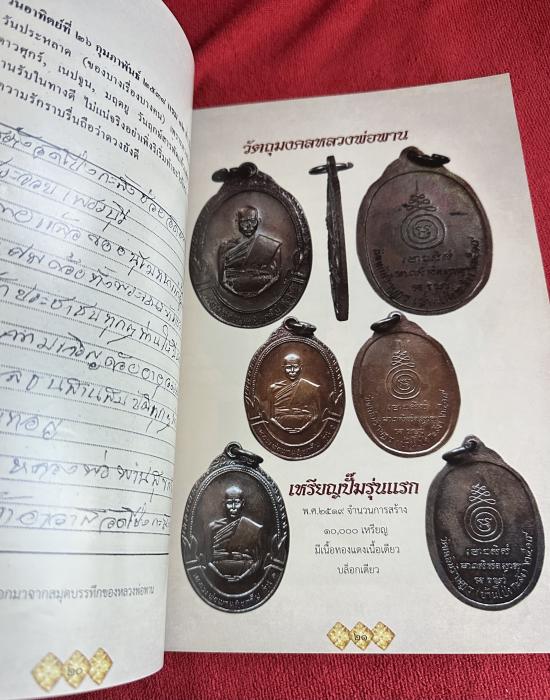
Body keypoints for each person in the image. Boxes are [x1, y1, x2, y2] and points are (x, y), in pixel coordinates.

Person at [218, 205, 281, 297]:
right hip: (233, 294)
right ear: (237, 222)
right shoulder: (226, 248)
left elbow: (276, 276)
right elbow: (222, 280)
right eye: (244, 222)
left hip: (262, 295)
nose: (249, 226)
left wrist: (258, 293)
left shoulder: (271, 246)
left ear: (258, 221)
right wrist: (238, 295)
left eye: (253, 221)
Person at [207, 485, 263, 582]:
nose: (233, 507)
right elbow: (206, 559)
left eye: (236, 503)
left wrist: (242, 577)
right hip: (218, 576)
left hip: (245, 576)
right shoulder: (213, 528)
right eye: (230, 503)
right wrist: (220, 576)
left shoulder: (251, 528)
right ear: (224, 504)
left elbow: (259, 560)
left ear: (242, 503)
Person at [266, 352, 321, 434]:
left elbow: (316, 416)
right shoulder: (273, 389)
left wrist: (302, 429)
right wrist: (283, 430)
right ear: (283, 368)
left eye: (295, 367)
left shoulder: (311, 388)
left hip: (305, 428)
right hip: (280, 429)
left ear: (301, 368)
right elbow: (270, 417)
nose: (292, 371)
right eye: (289, 367)